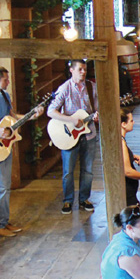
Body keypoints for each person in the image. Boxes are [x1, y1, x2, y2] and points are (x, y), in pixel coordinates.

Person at [0, 65, 43, 236]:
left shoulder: (4, 95)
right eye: (5, 79)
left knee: (5, 186)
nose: (8, 82)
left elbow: (12, 116)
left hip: (4, 145)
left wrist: (31, 115)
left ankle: (2, 220)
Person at [47, 59, 99, 215]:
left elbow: (97, 109)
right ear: (72, 70)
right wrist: (71, 120)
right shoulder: (64, 89)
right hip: (69, 135)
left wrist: (96, 116)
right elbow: (51, 111)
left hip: (89, 134)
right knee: (68, 171)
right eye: (80, 69)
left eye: (85, 69)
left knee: (88, 170)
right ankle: (68, 201)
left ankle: (84, 199)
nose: (83, 72)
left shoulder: (92, 87)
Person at [121, 108, 140, 207]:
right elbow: (127, 171)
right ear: (123, 124)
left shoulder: (121, 140)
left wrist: (132, 156)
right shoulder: (121, 142)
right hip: (127, 193)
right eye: (131, 121)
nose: (133, 122)